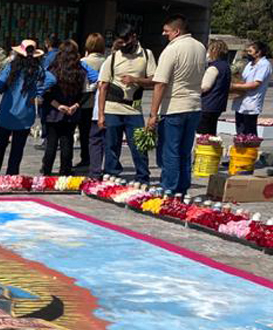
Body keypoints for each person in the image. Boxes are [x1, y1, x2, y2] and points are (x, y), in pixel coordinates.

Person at [146, 14, 205, 195]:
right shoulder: (200, 47)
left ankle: (168, 188)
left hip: (174, 107)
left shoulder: (172, 49)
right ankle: (182, 188)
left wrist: (153, 114)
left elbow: (160, 83)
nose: (164, 34)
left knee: (170, 150)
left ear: (177, 31)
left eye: (167, 31)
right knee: (185, 151)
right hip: (194, 105)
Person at [98, 25, 155, 183]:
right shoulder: (113, 58)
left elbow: (154, 80)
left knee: (139, 146)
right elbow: (103, 86)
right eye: (120, 42)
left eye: (125, 41)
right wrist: (101, 114)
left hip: (134, 109)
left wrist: (135, 80)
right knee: (111, 146)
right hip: (112, 108)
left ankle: (143, 177)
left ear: (134, 37)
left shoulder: (147, 55)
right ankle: (112, 174)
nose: (123, 45)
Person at [0, 39, 53, 176]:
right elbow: (52, 79)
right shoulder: (38, 70)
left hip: (7, 112)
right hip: (25, 115)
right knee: (17, 150)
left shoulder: (11, 67)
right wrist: (38, 92)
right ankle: (11, 177)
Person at [42, 41, 96, 176]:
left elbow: (45, 93)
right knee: (67, 143)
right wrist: (75, 105)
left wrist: (58, 105)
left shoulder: (52, 70)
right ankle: (65, 173)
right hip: (72, 112)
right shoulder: (81, 71)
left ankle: (47, 172)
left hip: (54, 112)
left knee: (51, 145)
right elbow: (87, 92)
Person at [229, 40, 271, 136]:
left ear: (258, 52)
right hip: (241, 101)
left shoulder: (264, 64)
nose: (248, 54)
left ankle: (250, 149)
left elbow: (255, 84)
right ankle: (241, 148)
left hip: (251, 102)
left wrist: (234, 86)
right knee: (240, 131)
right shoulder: (249, 64)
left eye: (250, 51)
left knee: (249, 132)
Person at [77, 33, 106, 168]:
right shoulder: (107, 61)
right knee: (99, 134)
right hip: (103, 102)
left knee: (84, 132)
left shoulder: (83, 62)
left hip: (86, 101)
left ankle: (85, 158)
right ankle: (98, 159)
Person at [198, 39, 231, 134]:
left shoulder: (213, 67)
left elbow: (205, 87)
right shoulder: (225, 66)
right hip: (218, 104)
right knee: (212, 132)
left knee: (203, 133)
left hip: (207, 104)